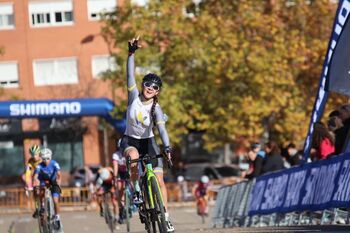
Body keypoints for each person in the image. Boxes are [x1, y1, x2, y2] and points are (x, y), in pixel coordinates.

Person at [120, 36, 174, 232]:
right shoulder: (133, 96)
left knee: (159, 180)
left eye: (155, 87)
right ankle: (136, 191)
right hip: (130, 140)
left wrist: (167, 148)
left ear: (158, 91)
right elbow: (129, 75)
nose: (150, 88)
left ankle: (166, 216)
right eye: (147, 85)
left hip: (149, 142)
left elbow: (162, 129)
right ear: (142, 86)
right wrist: (131, 54)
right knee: (133, 157)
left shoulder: (157, 108)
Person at [33, 148, 62, 230]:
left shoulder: (55, 164)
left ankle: (57, 217)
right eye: (43, 159)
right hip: (43, 181)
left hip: (53, 181)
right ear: (41, 159)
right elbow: (35, 176)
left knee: (55, 200)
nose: (46, 161)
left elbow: (59, 175)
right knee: (41, 191)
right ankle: (42, 206)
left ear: (51, 157)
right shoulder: (39, 166)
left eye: (47, 158)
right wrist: (35, 181)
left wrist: (58, 182)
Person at [112, 139, 129, 224]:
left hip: (128, 171)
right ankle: (122, 207)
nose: (122, 149)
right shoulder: (116, 154)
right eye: (120, 147)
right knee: (120, 189)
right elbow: (115, 167)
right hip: (120, 173)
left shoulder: (128, 153)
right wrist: (115, 177)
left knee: (133, 184)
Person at [23, 145, 42, 218]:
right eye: (33, 155)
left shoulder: (42, 159)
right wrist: (28, 185)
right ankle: (37, 209)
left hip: (44, 175)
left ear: (39, 153)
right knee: (35, 192)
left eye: (36, 154)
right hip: (36, 176)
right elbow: (28, 172)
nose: (34, 156)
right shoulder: (30, 161)